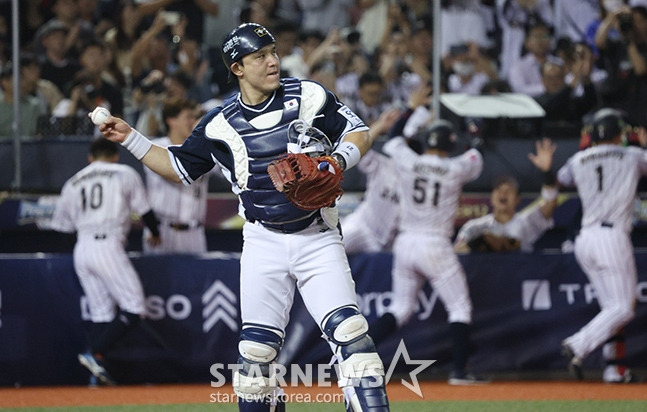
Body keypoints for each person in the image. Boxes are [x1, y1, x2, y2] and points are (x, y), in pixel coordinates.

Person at [95, 23, 390, 411]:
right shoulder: (218, 124)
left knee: (354, 339)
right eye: (260, 57)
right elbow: (178, 167)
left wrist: (337, 160)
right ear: (237, 68)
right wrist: (131, 137)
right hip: (262, 241)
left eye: (273, 53)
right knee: (254, 362)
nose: (272, 62)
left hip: (317, 234)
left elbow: (359, 132)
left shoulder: (309, 96)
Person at [368, 119, 488, 385]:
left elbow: (395, 137)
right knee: (459, 307)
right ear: (449, 144)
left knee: (400, 308)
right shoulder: (455, 167)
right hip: (435, 243)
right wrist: (475, 133)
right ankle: (459, 371)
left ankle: (356, 353)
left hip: (406, 240)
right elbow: (477, 155)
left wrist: (410, 111)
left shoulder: (409, 160)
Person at [49, 137, 161, 386]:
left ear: (90, 158)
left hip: (82, 247)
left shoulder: (72, 182)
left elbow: (62, 229)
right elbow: (145, 211)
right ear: (114, 156)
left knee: (102, 313)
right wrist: (155, 232)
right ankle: (93, 352)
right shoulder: (123, 172)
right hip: (108, 244)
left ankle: (94, 376)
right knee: (134, 307)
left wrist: (83, 246)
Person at [558, 108, 644, 383]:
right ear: (620, 133)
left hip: (585, 239)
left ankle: (613, 369)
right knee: (623, 308)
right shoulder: (632, 154)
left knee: (611, 307)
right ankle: (577, 344)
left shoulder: (579, 157)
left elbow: (561, 179)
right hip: (611, 236)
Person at [453, 139, 558, 254]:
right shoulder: (474, 227)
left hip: (520, 270)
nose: (503, 193)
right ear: (491, 198)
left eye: (509, 190)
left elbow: (550, 203)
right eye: (498, 189)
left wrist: (546, 173)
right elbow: (457, 252)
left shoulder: (527, 221)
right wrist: (478, 243)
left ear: (517, 199)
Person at [142, 97, 211, 254]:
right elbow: (177, 174)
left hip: (194, 233)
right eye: (188, 117)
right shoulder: (156, 147)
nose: (193, 122)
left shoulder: (204, 147)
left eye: (194, 117)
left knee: (198, 278)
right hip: (161, 232)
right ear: (172, 121)